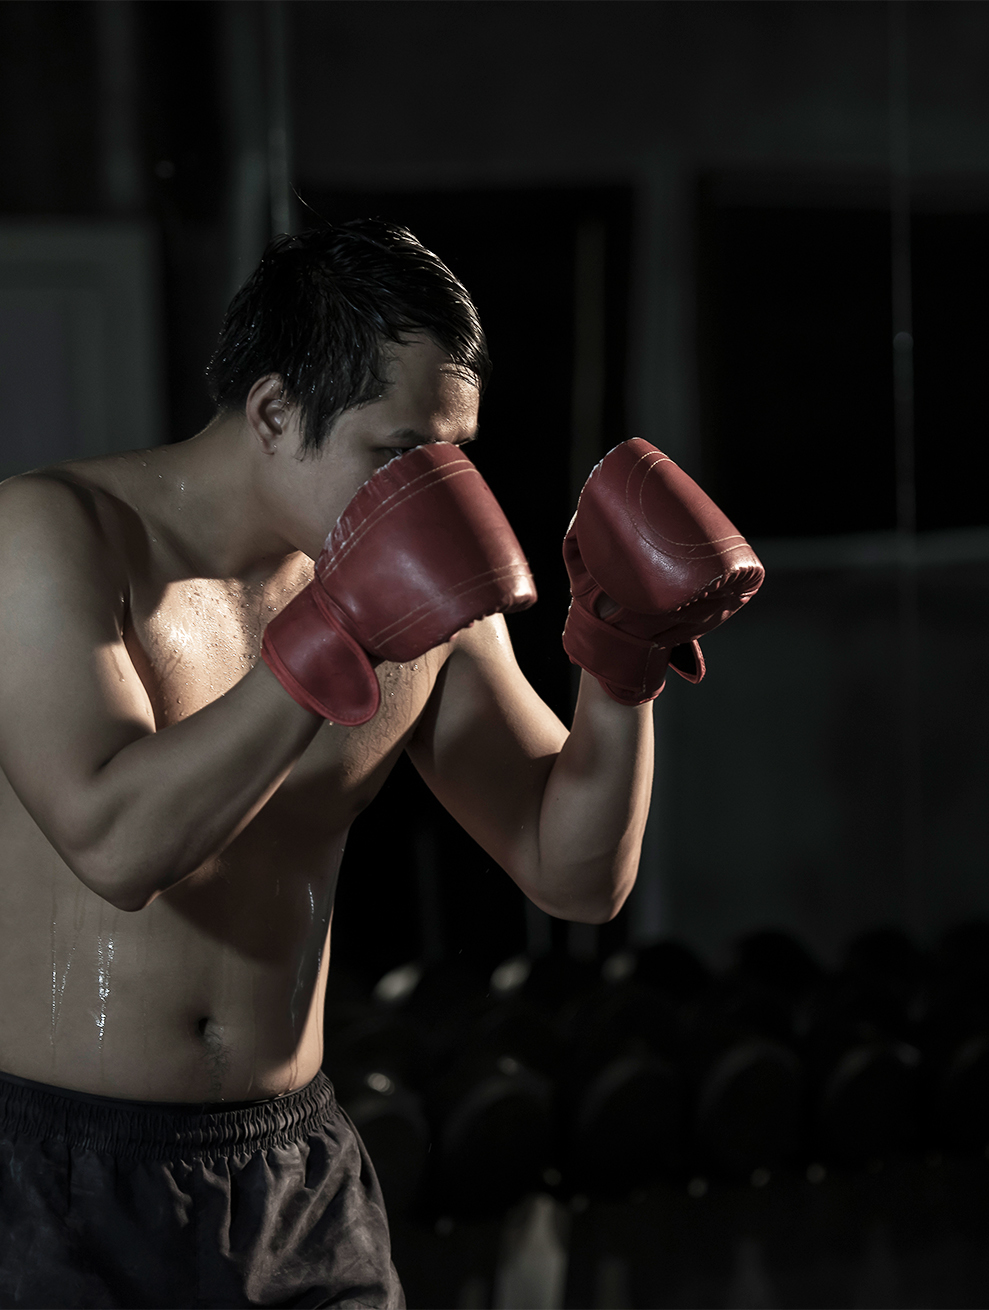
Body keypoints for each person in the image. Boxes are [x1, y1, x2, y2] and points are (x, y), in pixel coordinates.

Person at [0, 220, 762, 1308]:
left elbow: (573, 871)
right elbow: (118, 843)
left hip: (291, 1172)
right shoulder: (52, 535)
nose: (433, 487)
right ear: (273, 413)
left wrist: (618, 665)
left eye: (452, 451)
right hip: (57, 1179)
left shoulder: (412, 590)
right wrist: (335, 629)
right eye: (398, 451)